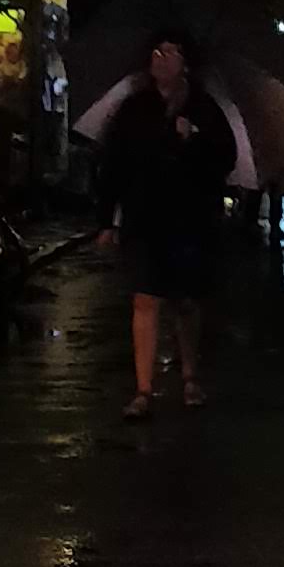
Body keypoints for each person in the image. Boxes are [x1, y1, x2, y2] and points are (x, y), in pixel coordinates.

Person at [92, 29, 237, 414]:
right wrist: (106, 219)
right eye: (156, 51)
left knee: (186, 301)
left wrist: (195, 139)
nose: (161, 58)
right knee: (144, 297)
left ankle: (190, 376)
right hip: (144, 215)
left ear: (186, 62)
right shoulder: (134, 108)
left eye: (171, 52)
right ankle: (143, 389)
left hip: (190, 218)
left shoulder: (205, 108)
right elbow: (114, 164)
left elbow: (226, 160)